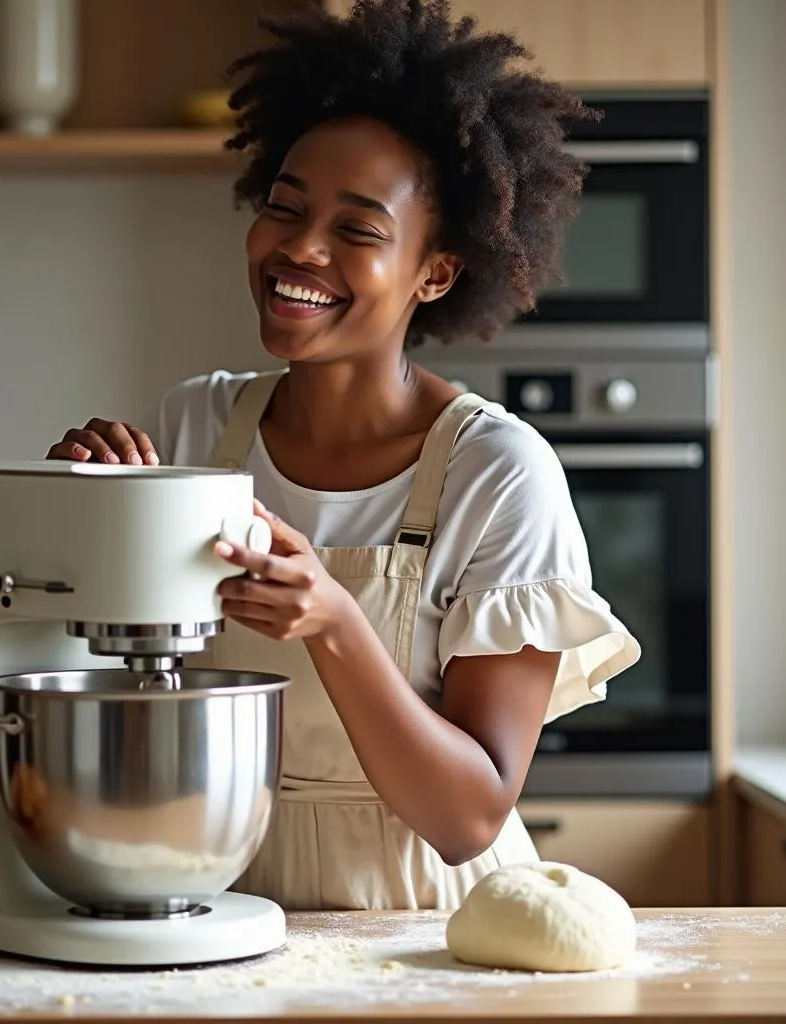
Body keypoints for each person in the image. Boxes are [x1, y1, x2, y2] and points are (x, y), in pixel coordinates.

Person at [46, 0, 641, 911]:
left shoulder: (496, 470)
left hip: (420, 919)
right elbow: (139, 683)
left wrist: (334, 620)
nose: (299, 248)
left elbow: (468, 816)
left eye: (359, 231)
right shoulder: (200, 423)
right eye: (284, 207)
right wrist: (82, 523)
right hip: (218, 885)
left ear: (435, 272)